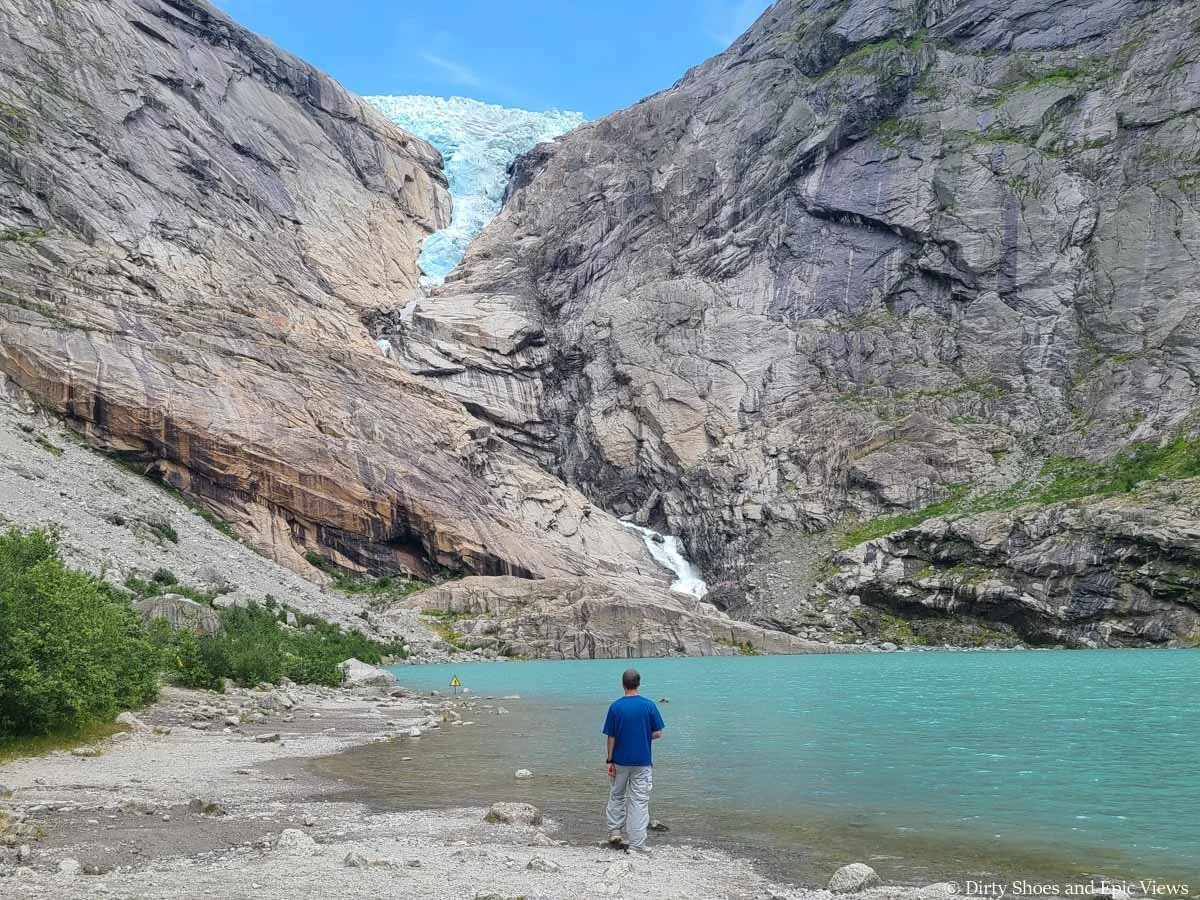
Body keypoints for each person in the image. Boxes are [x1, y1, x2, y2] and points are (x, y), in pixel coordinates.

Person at [602, 668, 665, 853]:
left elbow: (611, 737)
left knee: (617, 794)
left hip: (620, 760)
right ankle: (637, 844)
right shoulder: (649, 705)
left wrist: (610, 760)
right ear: (638, 683)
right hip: (642, 761)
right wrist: (643, 736)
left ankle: (615, 831)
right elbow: (658, 733)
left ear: (623, 685)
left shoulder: (615, 707)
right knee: (639, 800)